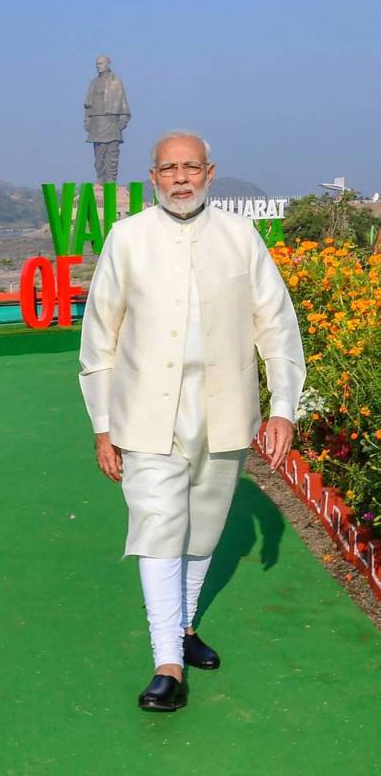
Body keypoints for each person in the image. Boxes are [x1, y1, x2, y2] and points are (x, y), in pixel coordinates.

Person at [78, 130, 305, 712]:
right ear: (152, 178)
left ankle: (183, 628)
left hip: (224, 412)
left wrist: (282, 408)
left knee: (202, 528)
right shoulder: (126, 239)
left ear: (210, 172)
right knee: (157, 528)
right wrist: (103, 425)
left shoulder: (240, 237)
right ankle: (167, 662)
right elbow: (99, 339)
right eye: (168, 169)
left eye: (191, 167)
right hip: (146, 415)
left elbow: (277, 327)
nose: (180, 177)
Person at [83, 55, 131, 183]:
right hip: (97, 125)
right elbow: (88, 105)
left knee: (112, 157)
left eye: (101, 63)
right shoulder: (93, 82)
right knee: (99, 158)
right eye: (97, 64)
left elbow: (124, 106)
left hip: (111, 124)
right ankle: (100, 181)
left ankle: (111, 183)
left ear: (108, 64)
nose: (98, 66)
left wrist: (122, 123)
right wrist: (87, 120)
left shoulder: (115, 81)